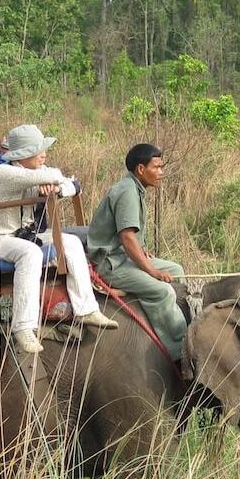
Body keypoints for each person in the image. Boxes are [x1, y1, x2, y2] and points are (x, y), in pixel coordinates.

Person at [0, 124, 117, 354]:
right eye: (38, 149)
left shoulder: (32, 174)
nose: (44, 153)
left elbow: (73, 186)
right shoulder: (5, 173)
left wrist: (60, 188)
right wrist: (59, 182)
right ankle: (23, 327)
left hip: (25, 237)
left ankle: (86, 309)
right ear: (22, 154)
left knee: (68, 241)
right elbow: (56, 176)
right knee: (30, 254)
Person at [86, 143, 187, 361]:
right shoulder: (127, 192)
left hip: (122, 257)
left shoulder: (135, 188)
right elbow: (127, 237)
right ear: (141, 169)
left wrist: (142, 252)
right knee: (163, 291)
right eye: (157, 167)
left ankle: (173, 323)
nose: (161, 173)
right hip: (111, 265)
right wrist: (152, 271)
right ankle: (179, 351)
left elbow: (126, 236)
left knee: (176, 270)